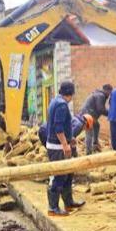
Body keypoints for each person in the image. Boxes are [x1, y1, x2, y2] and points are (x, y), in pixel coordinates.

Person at [44, 81, 84, 216]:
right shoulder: (61, 105)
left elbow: (63, 127)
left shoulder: (56, 101)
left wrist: (70, 138)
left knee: (68, 174)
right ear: (70, 94)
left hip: (59, 143)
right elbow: (58, 127)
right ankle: (53, 207)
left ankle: (68, 202)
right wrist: (65, 145)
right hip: (57, 146)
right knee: (59, 175)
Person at [79, 84, 112, 154]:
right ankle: (89, 152)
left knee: (97, 125)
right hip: (88, 115)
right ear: (107, 91)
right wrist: (111, 113)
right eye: (110, 92)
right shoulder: (101, 96)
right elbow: (101, 109)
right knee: (89, 132)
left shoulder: (98, 94)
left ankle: (95, 144)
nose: (109, 95)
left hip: (88, 114)